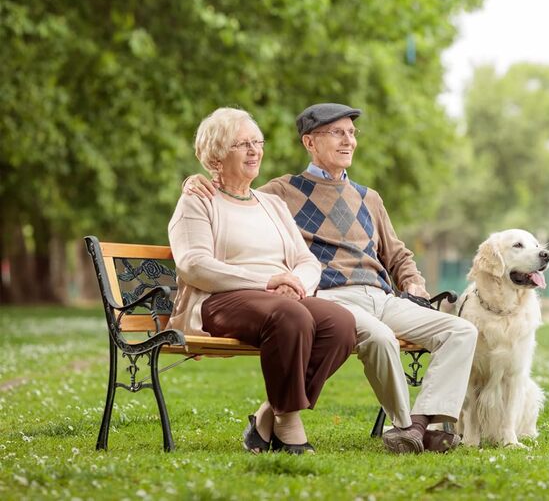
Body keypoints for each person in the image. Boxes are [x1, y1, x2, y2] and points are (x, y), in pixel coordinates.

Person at [185, 103, 478, 454]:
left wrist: (412, 281)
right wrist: (196, 180)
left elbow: (397, 253)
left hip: (382, 296)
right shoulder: (282, 192)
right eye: (337, 133)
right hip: (331, 296)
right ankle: (403, 427)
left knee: (461, 331)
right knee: (380, 339)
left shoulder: (370, 198)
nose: (349, 141)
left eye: (352, 133)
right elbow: (235, 193)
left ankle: (418, 423)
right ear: (310, 142)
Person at [168, 107, 356, 455]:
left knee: (341, 323)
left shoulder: (272, 204)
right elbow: (194, 265)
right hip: (222, 299)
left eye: (258, 142)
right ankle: (289, 422)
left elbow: (306, 260)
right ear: (218, 154)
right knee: (292, 316)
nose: (255, 150)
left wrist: (294, 282)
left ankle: (268, 413)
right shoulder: (197, 200)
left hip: (281, 297)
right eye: (243, 144)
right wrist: (268, 281)